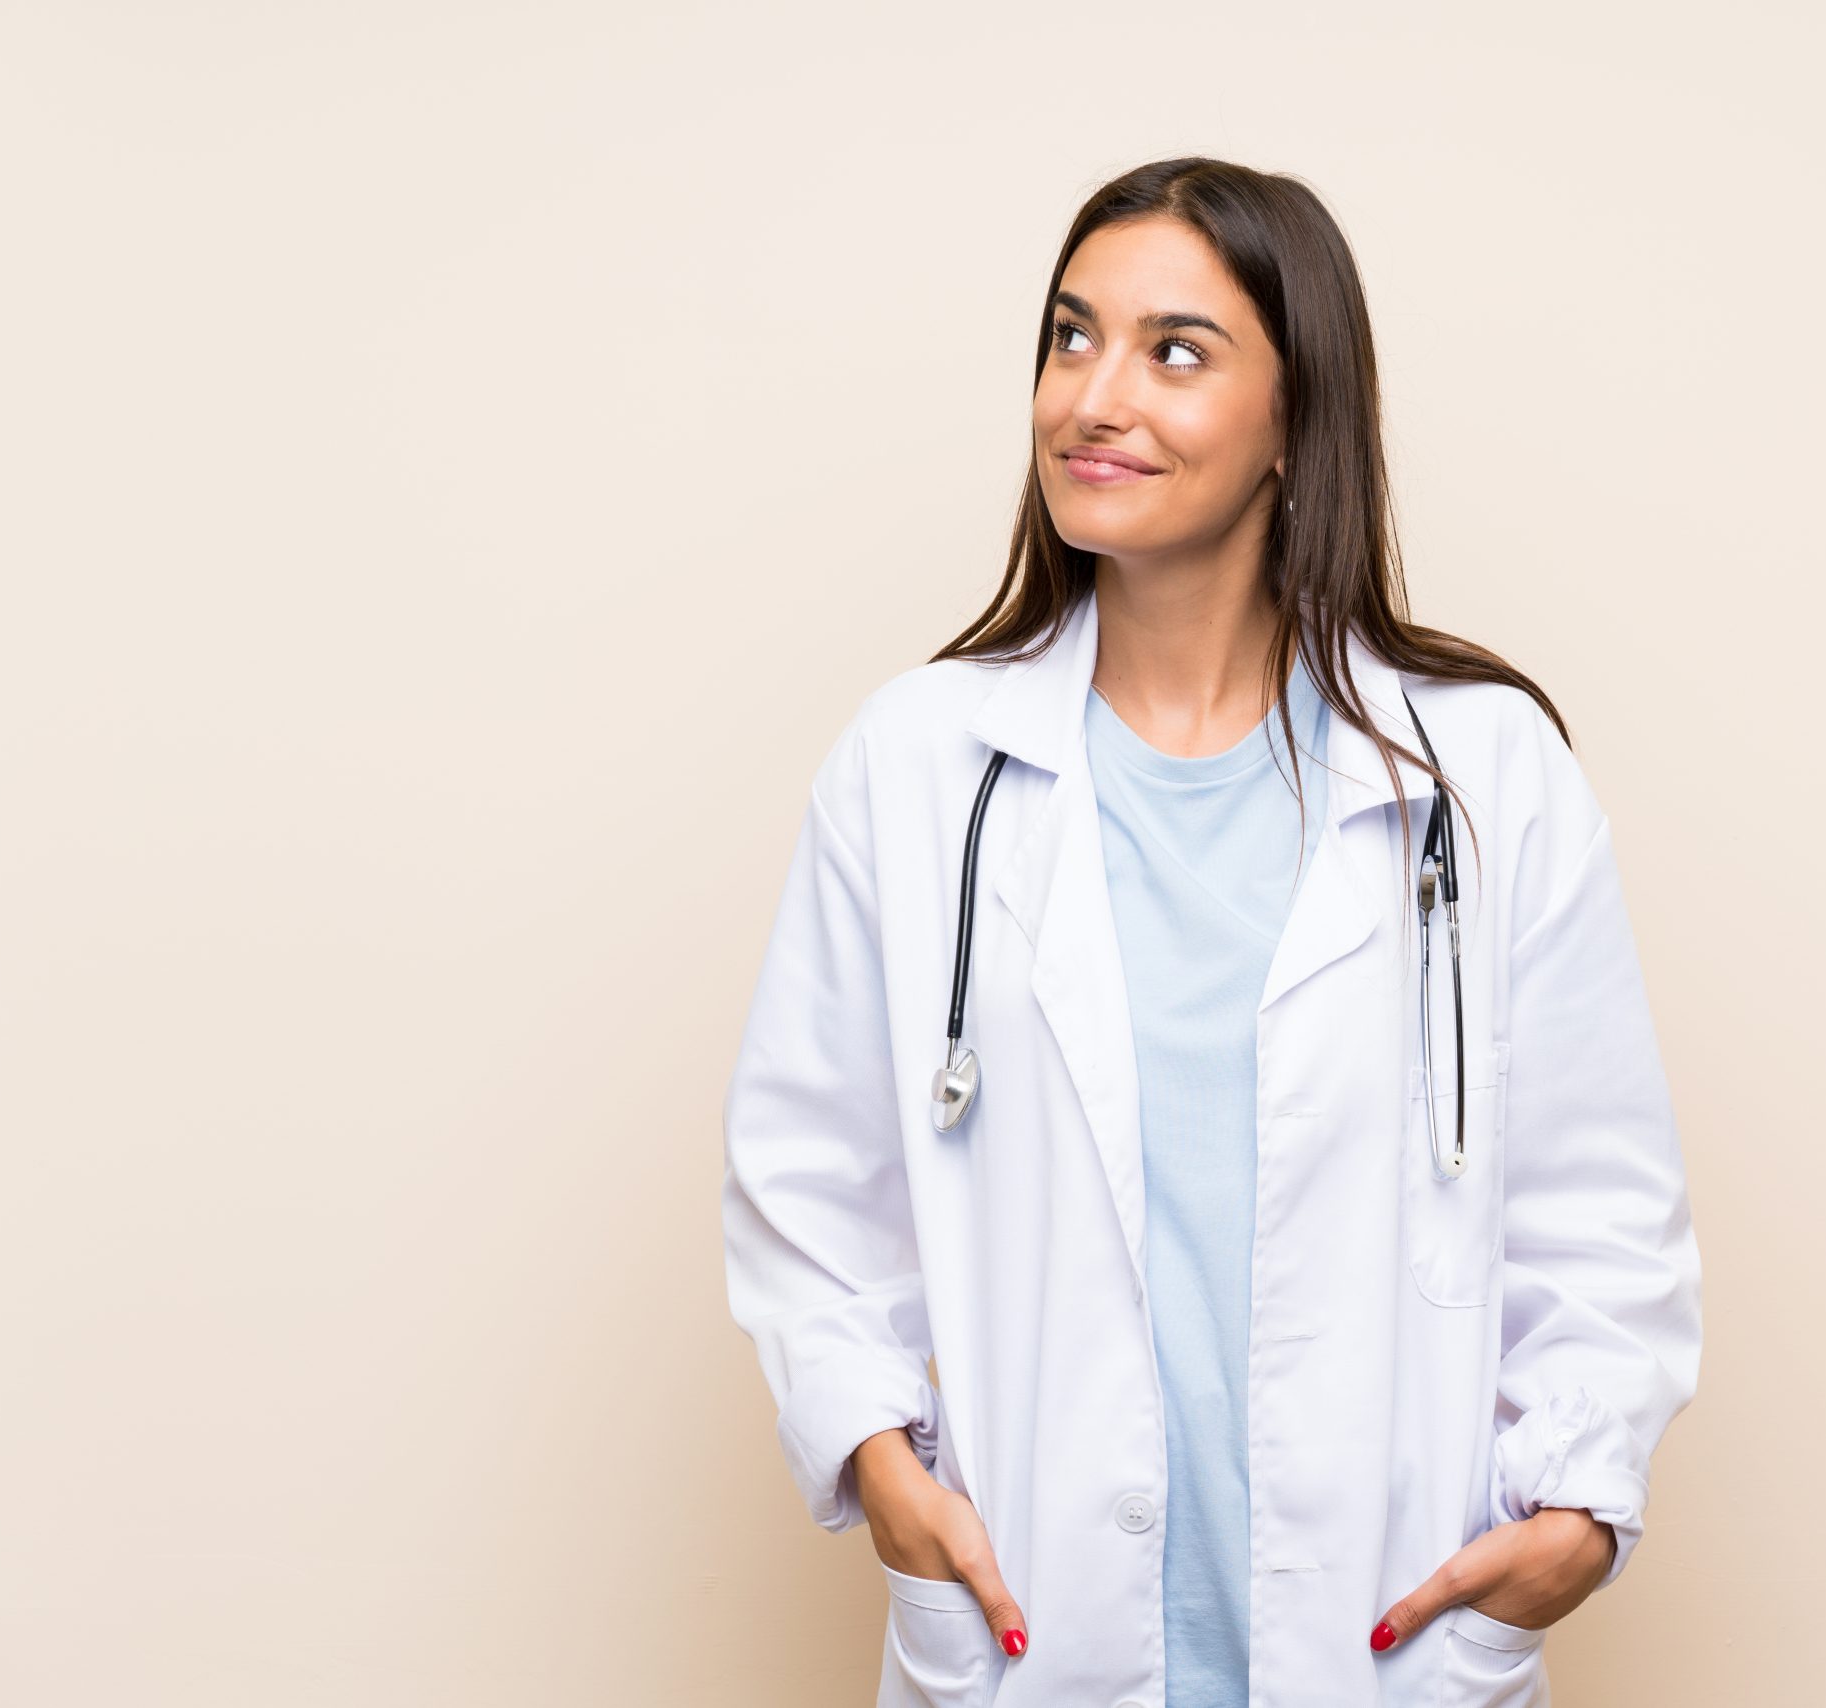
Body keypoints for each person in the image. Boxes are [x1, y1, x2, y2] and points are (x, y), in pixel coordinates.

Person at [722, 156, 1704, 1708]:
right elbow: (805, 1182)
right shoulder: (919, 768)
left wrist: (1576, 1516)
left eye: (1175, 351)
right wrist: (883, 1475)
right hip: (1030, 1629)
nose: (1094, 398)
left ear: (1296, 424)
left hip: (1387, 1639)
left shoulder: (1480, 775)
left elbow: (1599, 1206)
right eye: (1070, 337)